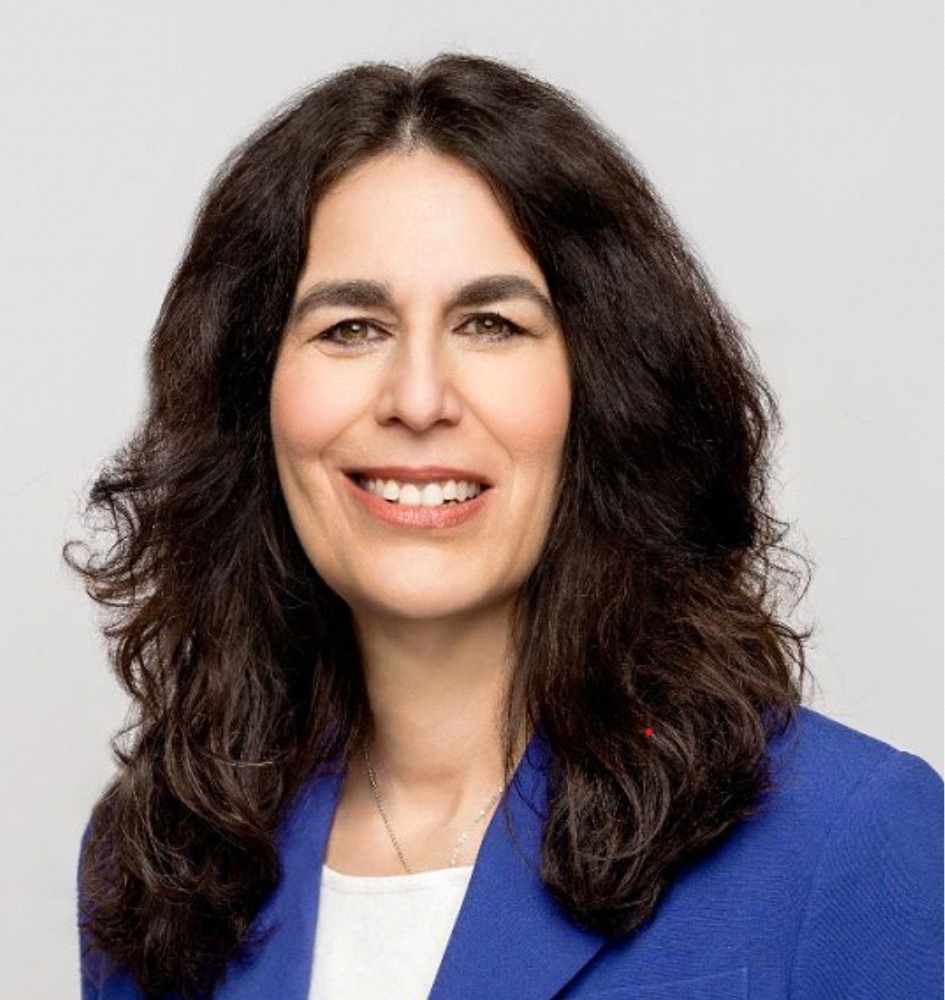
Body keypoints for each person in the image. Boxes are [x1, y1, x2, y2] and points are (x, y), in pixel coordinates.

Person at [69, 53, 943, 1000]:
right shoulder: (161, 865)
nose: (418, 398)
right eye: (350, 328)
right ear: (254, 400)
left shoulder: (850, 839)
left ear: (604, 390)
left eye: (491, 323)